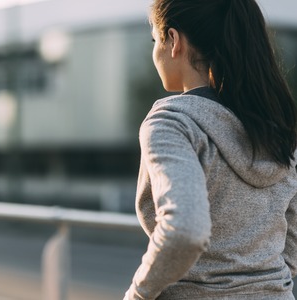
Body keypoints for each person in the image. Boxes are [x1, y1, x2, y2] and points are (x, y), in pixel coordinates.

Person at [124, 0, 297, 299]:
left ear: (174, 41)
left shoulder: (172, 123)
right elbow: (292, 242)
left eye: (156, 39)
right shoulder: (275, 123)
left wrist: (138, 294)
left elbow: (184, 230)